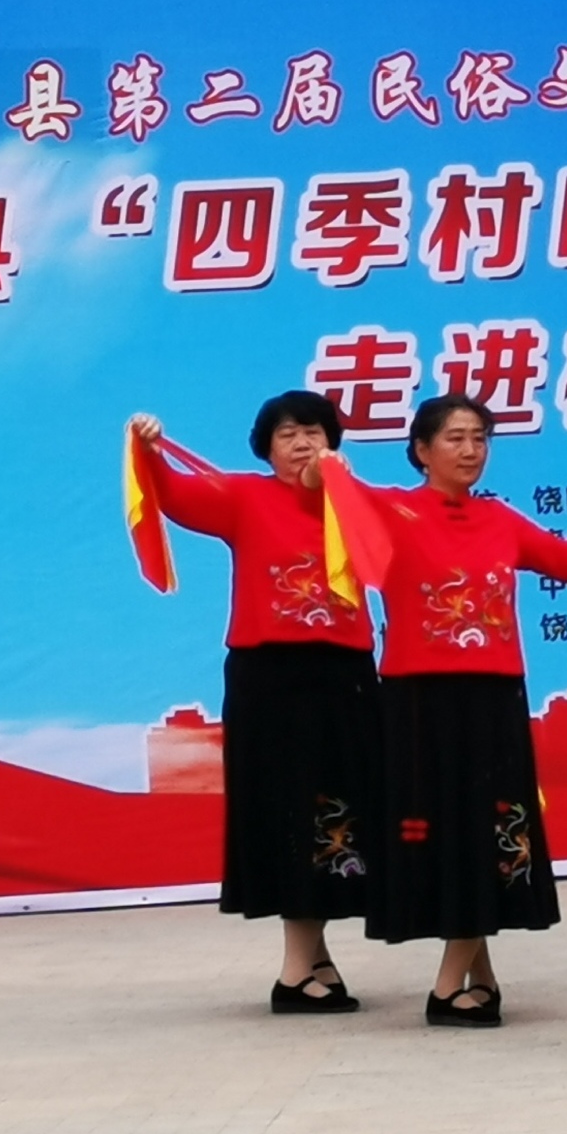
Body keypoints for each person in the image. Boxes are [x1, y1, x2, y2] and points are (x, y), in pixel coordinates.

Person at [342, 394, 567, 1027]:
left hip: (492, 699)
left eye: (479, 438)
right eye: (454, 438)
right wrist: (329, 467)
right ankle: (447, 987)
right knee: (448, 833)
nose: (470, 450)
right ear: (421, 450)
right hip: (420, 702)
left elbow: (566, 558)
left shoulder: (499, 519)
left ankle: (475, 975)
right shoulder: (391, 508)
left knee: (487, 831)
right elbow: (335, 497)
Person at [128, 394, 380, 1015]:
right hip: (270, 680)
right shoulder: (243, 496)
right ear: (266, 449)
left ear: (333, 442)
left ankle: (314, 961)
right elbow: (175, 497)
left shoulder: (357, 501)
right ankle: (295, 973)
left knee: (337, 815)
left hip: (344, 676)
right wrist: (151, 450)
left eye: (313, 432)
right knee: (287, 811)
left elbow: (390, 556)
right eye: (286, 434)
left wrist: (341, 491)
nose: (301, 444)